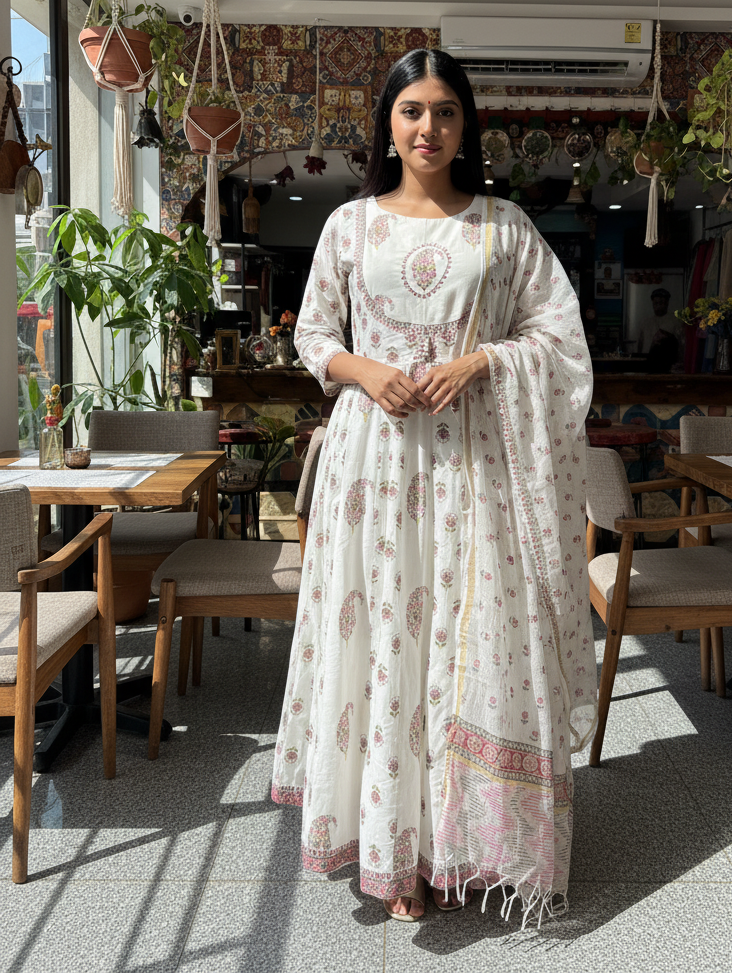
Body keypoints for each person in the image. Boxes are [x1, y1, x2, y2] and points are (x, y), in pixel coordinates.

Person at [272, 48, 597, 927]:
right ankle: (394, 853)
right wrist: (364, 372)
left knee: (464, 635)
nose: (428, 128)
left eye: (446, 111)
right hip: (372, 472)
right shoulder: (348, 226)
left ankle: (466, 842)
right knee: (384, 641)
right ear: (387, 121)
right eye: (412, 110)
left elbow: (559, 340)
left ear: (467, 126)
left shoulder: (502, 227)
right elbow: (310, 337)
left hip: (473, 471)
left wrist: (485, 359)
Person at [637, 288, 681, 370]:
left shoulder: (675, 321)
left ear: (667, 303)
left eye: (661, 303)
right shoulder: (645, 322)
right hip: (647, 363)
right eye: (655, 303)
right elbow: (640, 345)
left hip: (667, 364)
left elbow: (681, 344)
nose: (658, 306)